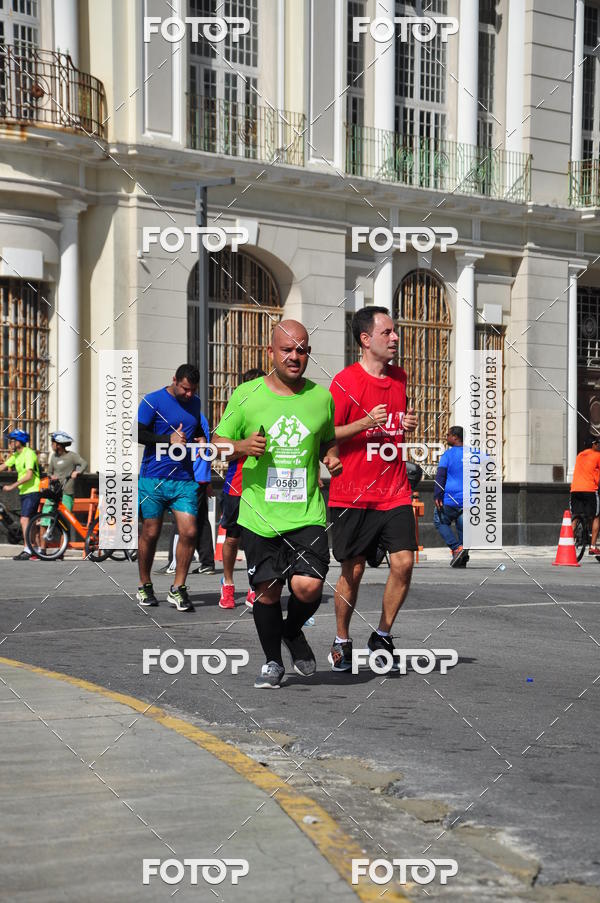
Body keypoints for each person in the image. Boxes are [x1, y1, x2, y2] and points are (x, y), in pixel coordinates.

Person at [214, 320, 342, 688]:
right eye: (286, 349)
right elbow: (216, 441)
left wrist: (330, 456)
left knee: (307, 587)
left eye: (301, 350)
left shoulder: (321, 398)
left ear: (308, 354)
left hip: (306, 512)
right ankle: (272, 662)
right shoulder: (247, 394)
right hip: (259, 514)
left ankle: (291, 631)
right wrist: (239, 447)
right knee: (267, 592)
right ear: (271, 353)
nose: (294, 356)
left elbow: (327, 439)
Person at [327, 306, 418, 672]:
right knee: (354, 569)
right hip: (352, 492)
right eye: (387, 333)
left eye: (394, 332)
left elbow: (396, 422)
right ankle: (341, 638)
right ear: (366, 340)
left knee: (405, 562)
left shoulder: (400, 378)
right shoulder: (344, 382)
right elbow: (326, 434)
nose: (395, 338)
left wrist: (406, 423)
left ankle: (382, 634)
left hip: (394, 488)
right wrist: (365, 422)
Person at [136, 364, 206, 612]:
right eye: (185, 389)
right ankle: (145, 584)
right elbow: (137, 432)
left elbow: (194, 427)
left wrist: (200, 436)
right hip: (153, 478)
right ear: (174, 380)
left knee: (189, 531)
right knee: (151, 533)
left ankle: (178, 588)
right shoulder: (152, 400)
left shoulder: (195, 403)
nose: (189, 395)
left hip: (184, 479)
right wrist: (168, 439)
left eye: (193, 390)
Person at [218, 367, 266, 611]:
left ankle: (254, 586)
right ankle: (227, 584)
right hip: (237, 486)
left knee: (257, 540)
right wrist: (244, 447)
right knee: (233, 538)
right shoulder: (237, 412)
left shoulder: (272, 410)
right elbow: (222, 450)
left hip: (264, 487)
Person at [155, 411, 215, 578]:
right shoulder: (200, 418)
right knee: (202, 521)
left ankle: (174, 564)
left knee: (180, 520)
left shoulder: (186, 419)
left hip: (189, 477)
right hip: (200, 477)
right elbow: (205, 449)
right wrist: (207, 479)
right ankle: (207, 563)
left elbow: (184, 449)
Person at [39, 431, 88, 554]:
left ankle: (61, 551)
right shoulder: (53, 457)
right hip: (54, 492)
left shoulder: (72, 456)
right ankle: (42, 550)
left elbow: (84, 463)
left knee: (64, 523)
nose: (52, 445)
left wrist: (78, 472)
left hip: (67, 492)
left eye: (53, 443)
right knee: (44, 520)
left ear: (59, 444)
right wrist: (52, 476)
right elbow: (49, 472)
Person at [0, 430, 41, 560]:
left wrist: (12, 486)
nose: (10, 443)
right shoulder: (16, 455)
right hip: (24, 492)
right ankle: (37, 549)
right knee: (31, 521)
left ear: (19, 441)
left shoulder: (29, 454)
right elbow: (3, 466)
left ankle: (27, 549)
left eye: (12, 440)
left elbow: (29, 475)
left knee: (24, 519)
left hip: (33, 490)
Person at [433, 426, 469, 567]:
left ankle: (456, 548)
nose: (446, 437)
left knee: (439, 521)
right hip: (467, 499)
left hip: (450, 498)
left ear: (455, 437)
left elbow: (441, 476)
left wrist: (437, 495)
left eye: (448, 435)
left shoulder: (448, 455)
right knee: (462, 526)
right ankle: (462, 557)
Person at [570, 434, 600, 554]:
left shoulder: (579, 456)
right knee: (596, 516)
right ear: (593, 444)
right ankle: (592, 546)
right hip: (589, 490)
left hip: (575, 490)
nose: (598, 446)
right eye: (597, 444)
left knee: (576, 516)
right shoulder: (597, 456)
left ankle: (570, 543)